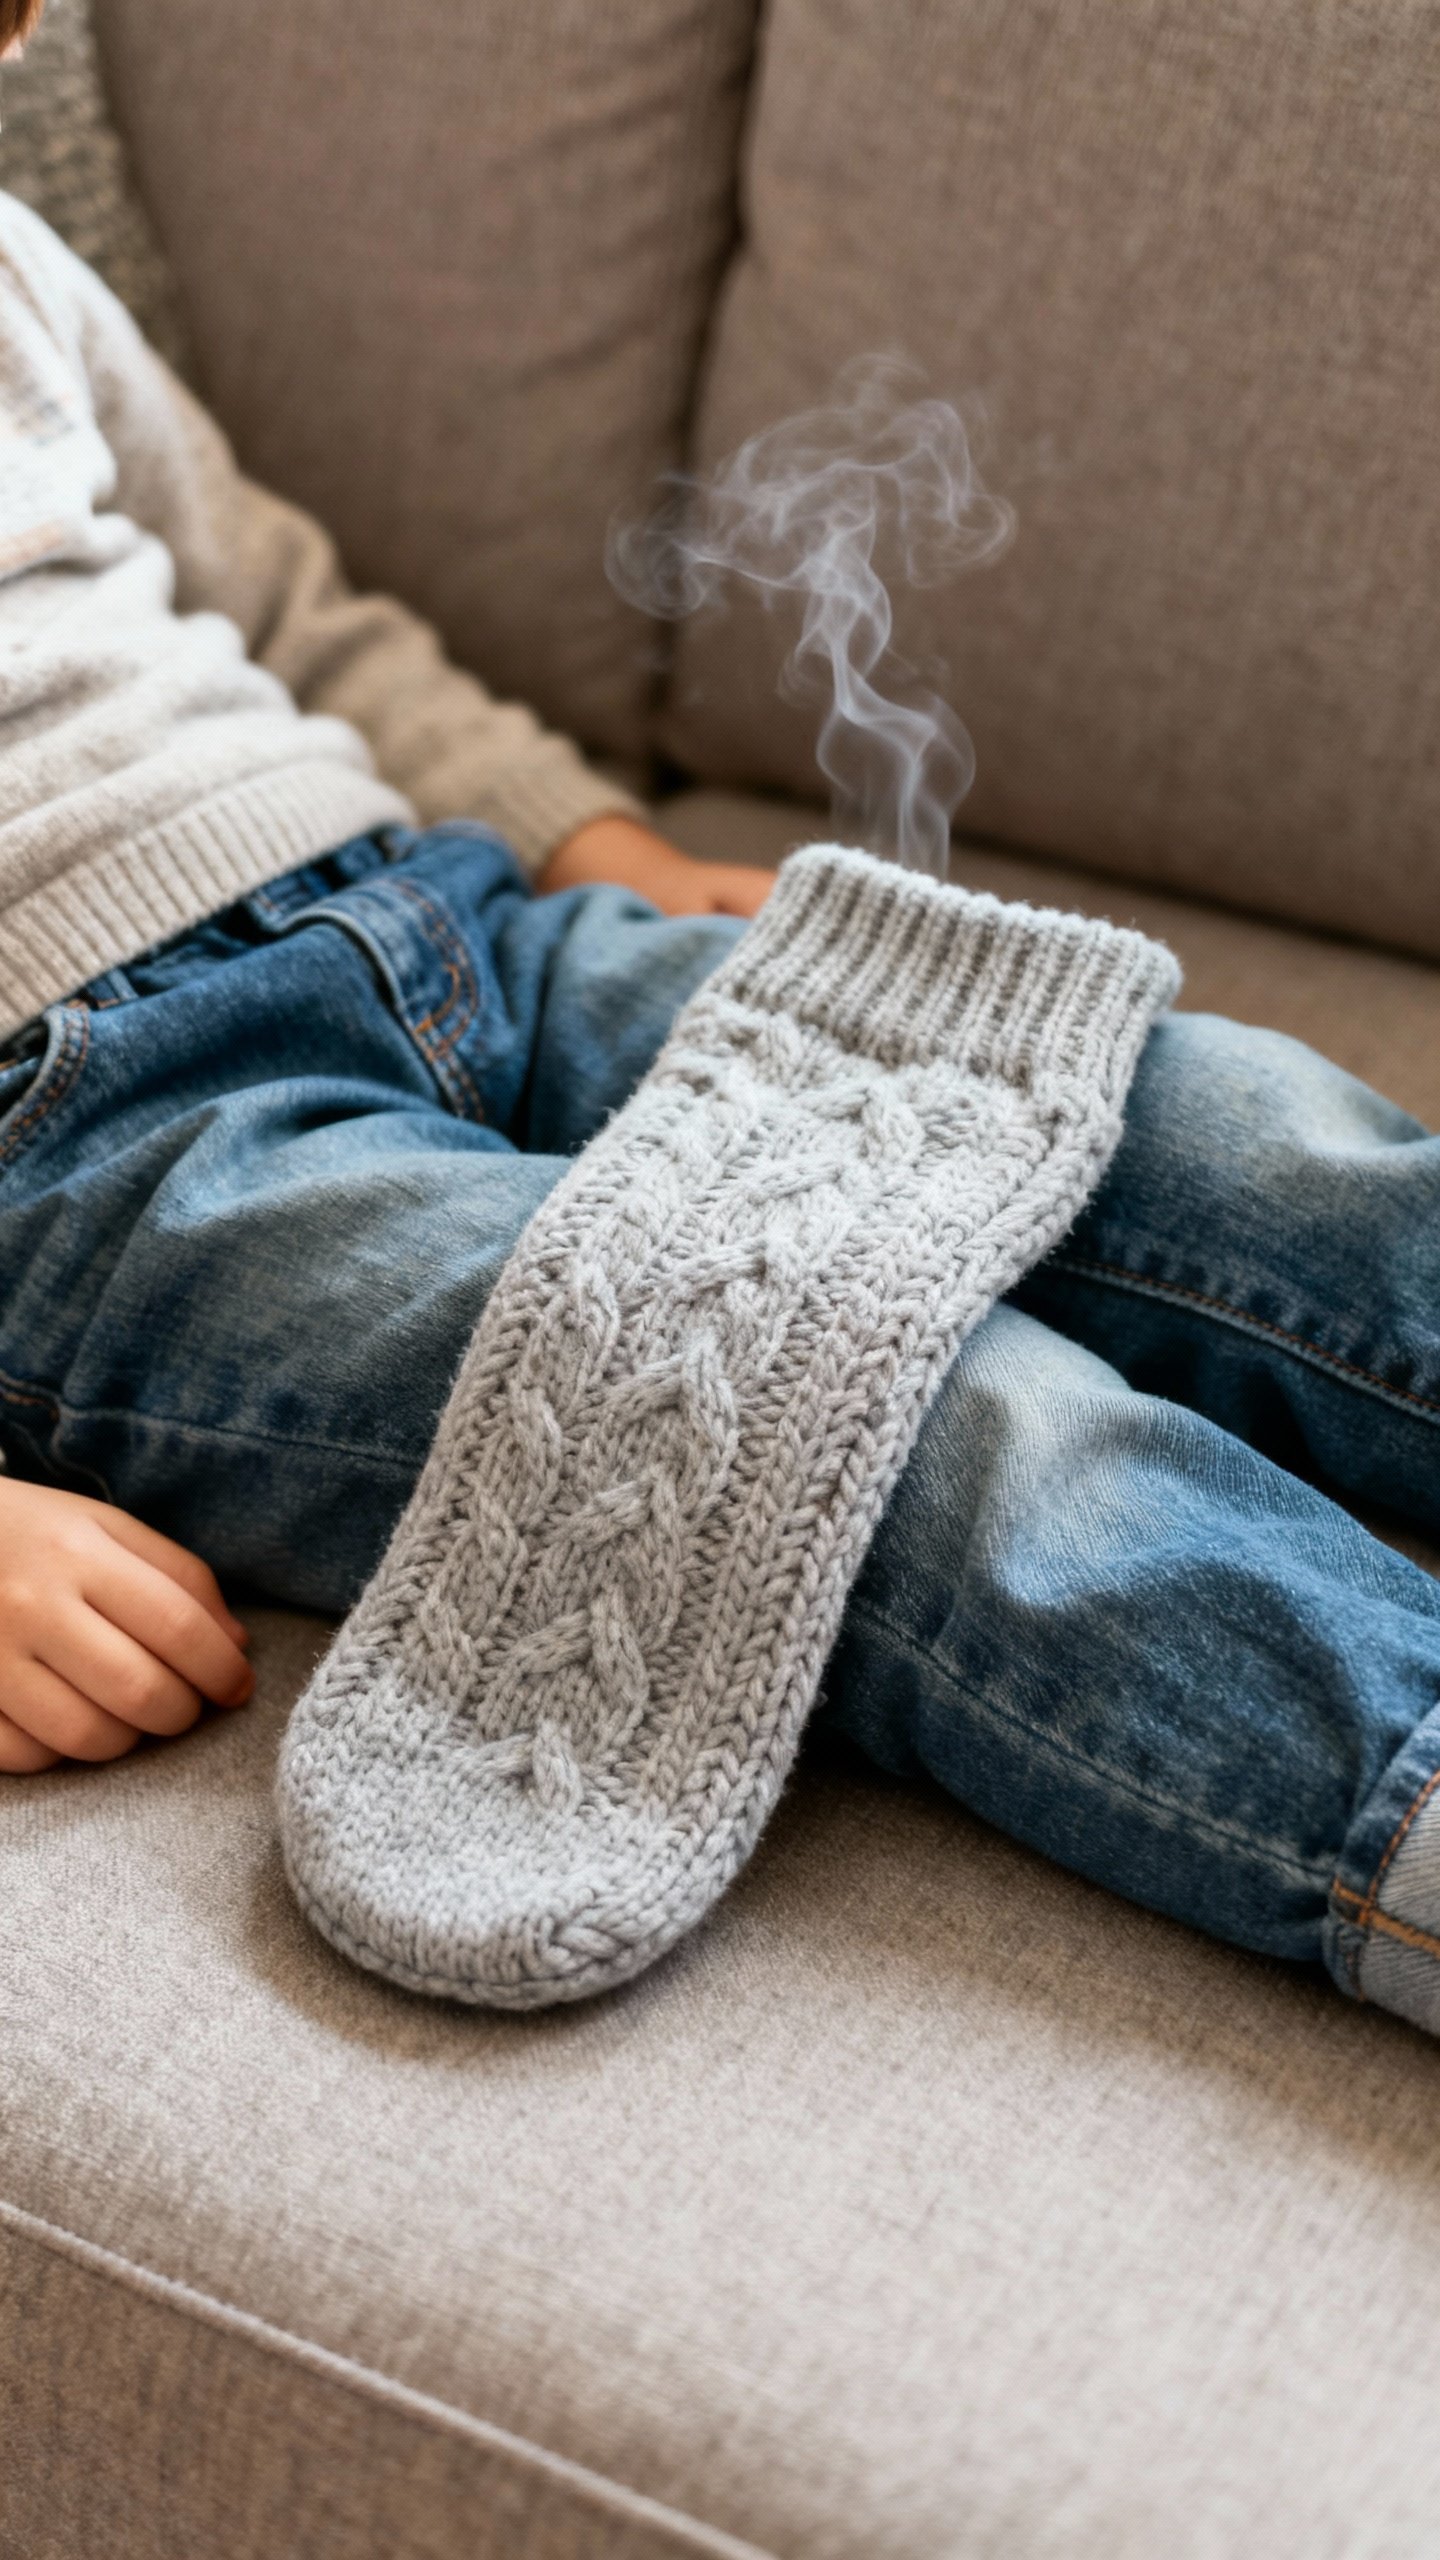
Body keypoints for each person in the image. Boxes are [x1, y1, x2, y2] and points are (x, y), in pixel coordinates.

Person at [1, 0, 1438, 2030]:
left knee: (1195, 1127)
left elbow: (293, 608)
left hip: (445, 918)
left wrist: (596, 841)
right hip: (107, 1161)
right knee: (849, 1413)